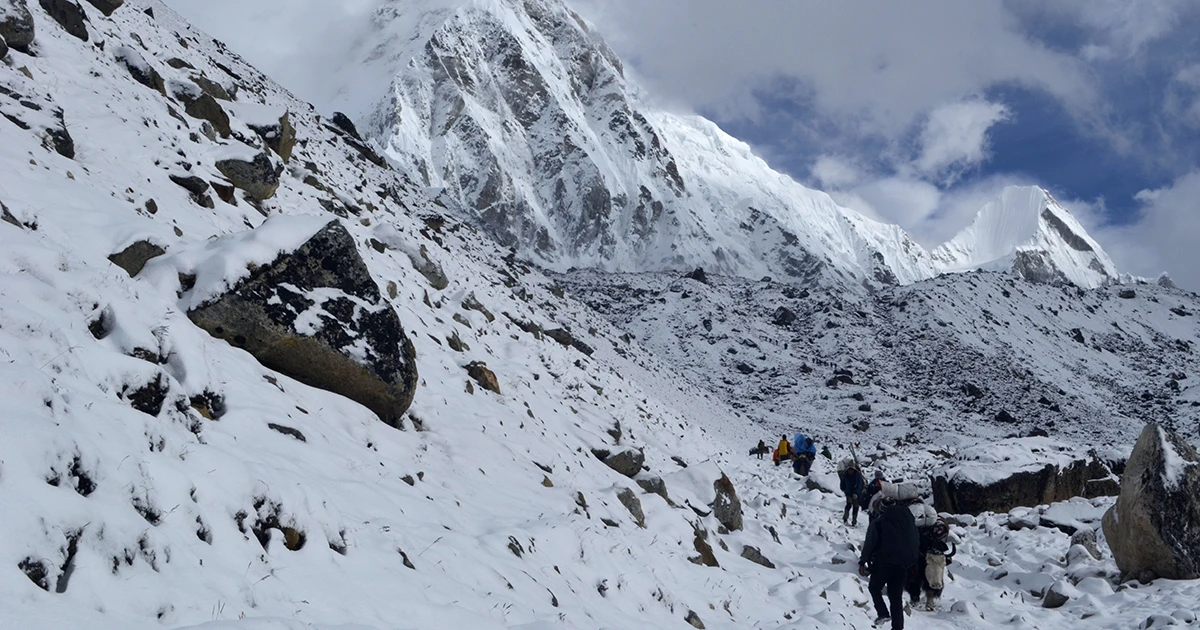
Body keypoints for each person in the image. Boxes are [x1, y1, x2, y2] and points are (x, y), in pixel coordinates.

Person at [858, 486, 920, 630]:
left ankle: (883, 613)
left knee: (874, 587)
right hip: (904, 565)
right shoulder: (908, 522)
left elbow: (870, 543)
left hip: (883, 564)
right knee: (896, 598)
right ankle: (897, 628)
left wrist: (862, 561)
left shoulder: (878, 523)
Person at [838, 459, 864, 526]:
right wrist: (843, 488)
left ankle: (854, 520)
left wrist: (856, 493)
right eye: (849, 470)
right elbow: (842, 483)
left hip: (856, 494)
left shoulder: (857, 475)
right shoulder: (846, 475)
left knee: (855, 507)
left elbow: (859, 485)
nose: (850, 471)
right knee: (849, 505)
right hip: (848, 493)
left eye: (851, 470)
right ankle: (845, 518)